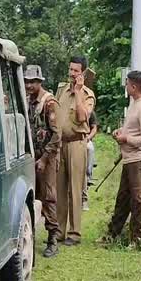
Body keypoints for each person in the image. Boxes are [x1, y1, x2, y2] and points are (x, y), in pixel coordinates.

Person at [103, 70, 141, 247]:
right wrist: (121, 133)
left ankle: (137, 241)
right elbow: (132, 130)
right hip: (129, 160)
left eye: (127, 84)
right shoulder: (134, 104)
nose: (125, 86)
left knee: (138, 201)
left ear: (133, 86)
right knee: (123, 199)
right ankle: (112, 235)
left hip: (139, 161)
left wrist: (126, 139)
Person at [55, 56, 95, 246]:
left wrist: (78, 92)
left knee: (75, 189)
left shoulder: (88, 94)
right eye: (70, 69)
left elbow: (81, 118)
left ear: (83, 73)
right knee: (60, 189)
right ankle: (59, 231)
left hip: (77, 144)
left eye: (76, 71)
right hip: (60, 144)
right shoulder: (61, 90)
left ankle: (74, 233)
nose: (71, 74)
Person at [24, 65, 62, 258]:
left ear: (40, 82)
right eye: (27, 81)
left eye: (32, 81)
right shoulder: (27, 102)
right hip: (32, 155)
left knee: (48, 197)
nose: (29, 85)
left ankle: (53, 238)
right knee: (32, 196)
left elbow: (57, 135)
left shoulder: (49, 103)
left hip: (47, 157)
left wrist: (45, 159)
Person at [82, 110, 98, 211]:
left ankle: (89, 173)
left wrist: (88, 137)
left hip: (86, 139)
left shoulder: (90, 112)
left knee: (90, 149)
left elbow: (94, 128)